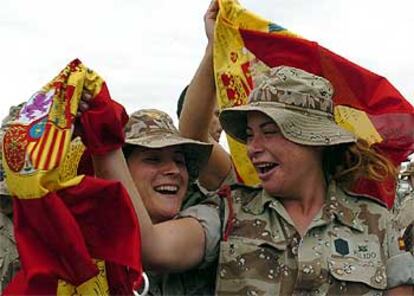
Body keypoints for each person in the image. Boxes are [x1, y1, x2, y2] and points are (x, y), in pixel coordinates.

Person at [88, 2, 414, 295]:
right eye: (250, 134)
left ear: (315, 138)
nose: (253, 147)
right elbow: (151, 247)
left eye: (270, 131)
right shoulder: (228, 213)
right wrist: (104, 143)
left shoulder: (376, 221)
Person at [120, 108, 216, 295]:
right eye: (153, 159)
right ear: (121, 170)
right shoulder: (90, 253)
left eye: (179, 161)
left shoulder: (210, 231)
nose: (173, 170)